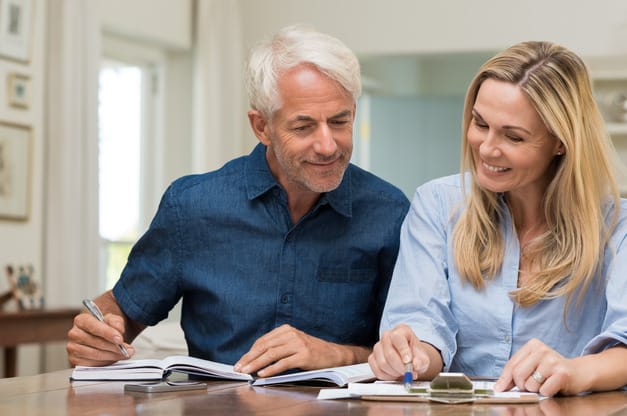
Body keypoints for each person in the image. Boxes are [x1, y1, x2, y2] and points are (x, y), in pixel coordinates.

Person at [67, 24, 410, 378]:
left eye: (340, 121)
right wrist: (96, 338)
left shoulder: (388, 212)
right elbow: (122, 314)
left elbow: (408, 355)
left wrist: (330, 354)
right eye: (303, 127)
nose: (328, 145)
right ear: (261, 126)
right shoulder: (192, 206)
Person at [368, 41, 627, 397]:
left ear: (561, 142)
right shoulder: (437, 205)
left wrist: (574, 371)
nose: (487, 148)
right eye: (480, 123)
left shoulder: (618, 228)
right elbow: (423, 326)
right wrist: (410, 356)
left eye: (513, 136)